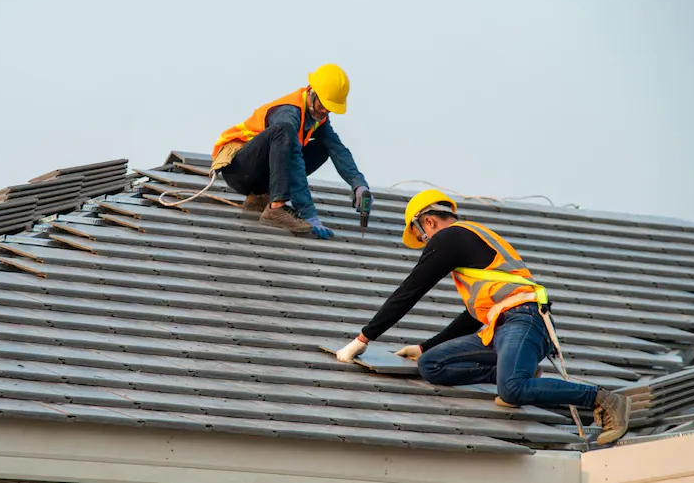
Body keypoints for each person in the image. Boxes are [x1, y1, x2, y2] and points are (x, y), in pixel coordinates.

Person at [334, 189, 632, 445]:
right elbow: (472, 316)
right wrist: (425, 347)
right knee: (431, 364)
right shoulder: (469, 241)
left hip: (524, 319)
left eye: (422, 239)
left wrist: (364, 338)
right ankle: (512, 370)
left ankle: (603, 399)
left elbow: (410, 291)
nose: (426, 246)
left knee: (511, 390)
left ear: (427, 221)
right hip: (502, 325)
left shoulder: (449, 237)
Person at [210, 64, 372, 239]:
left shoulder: (317, 116)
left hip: (258, 176)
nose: (325, 112)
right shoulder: (288, 112)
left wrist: (358, 184)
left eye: (329, 109)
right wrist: (308, 213)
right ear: (312, 93)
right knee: (284, 133)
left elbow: (338, 149)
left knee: (325, 145)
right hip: (238, 168)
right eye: (323, 106)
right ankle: (276, 208)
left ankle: (260, 197)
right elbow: (293, 161)